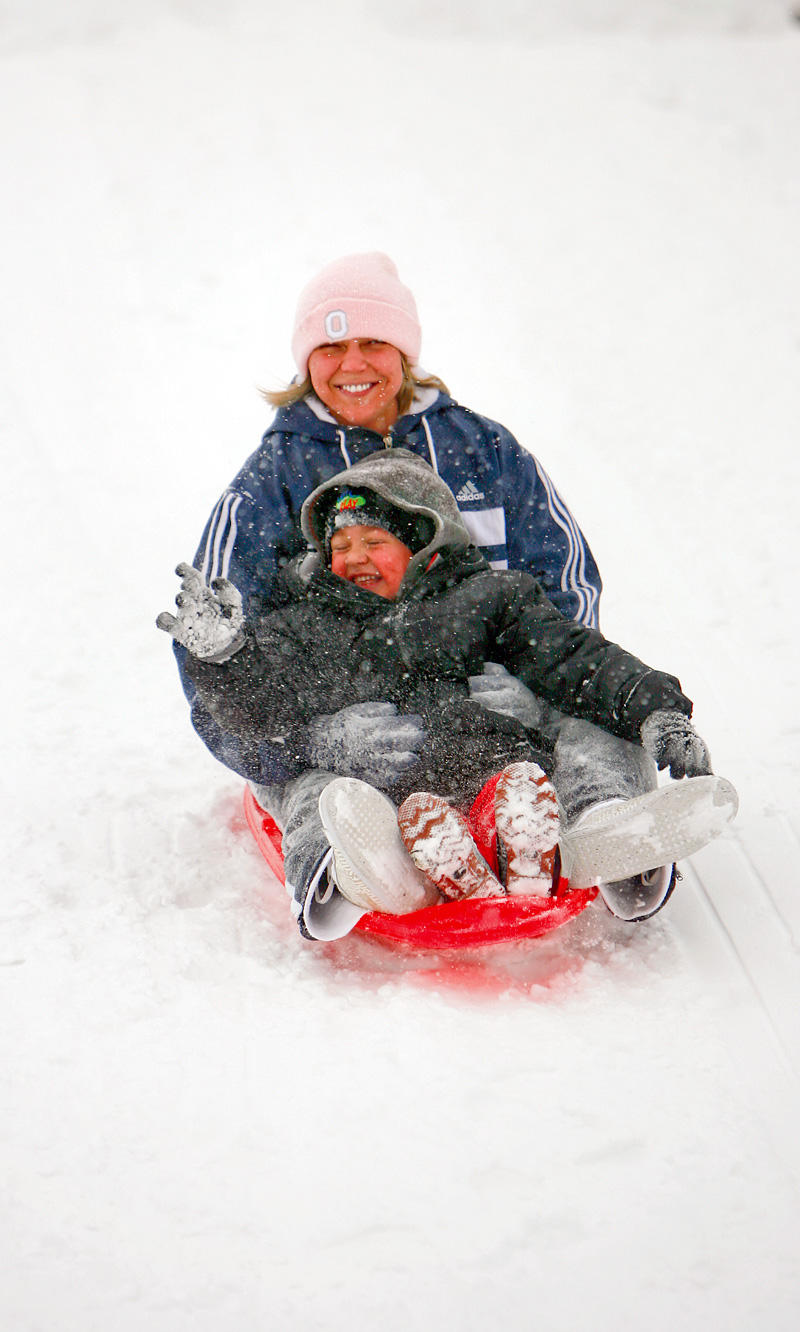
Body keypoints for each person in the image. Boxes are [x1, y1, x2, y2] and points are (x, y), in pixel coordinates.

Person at [159, 450, 737, 941]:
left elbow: (576, 659)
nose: (352, 557)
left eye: (373, 540)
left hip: (503, 776)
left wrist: (656, 707)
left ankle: (600, 831)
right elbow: (252, 718)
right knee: (312, 785)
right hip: (385, 800)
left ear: (423, 541)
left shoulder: (492, 598)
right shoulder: (306, 624)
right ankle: (352, 872)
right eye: (340, 543)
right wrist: (225, 663)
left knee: (591, 724)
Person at [175, 251, 603, 796]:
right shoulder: (272, 483)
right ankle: (347, 861)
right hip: (353, 727)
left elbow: (567, 581)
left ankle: (615, 833)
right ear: (308, 362)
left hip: (496, 718)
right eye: (330, 348)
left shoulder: (484, 452)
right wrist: (312, 740)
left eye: (372, 343)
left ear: (404, 352)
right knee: (318, 791)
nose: (352, 365)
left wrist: (537, 690)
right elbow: (213, 658)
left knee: (596, 721)